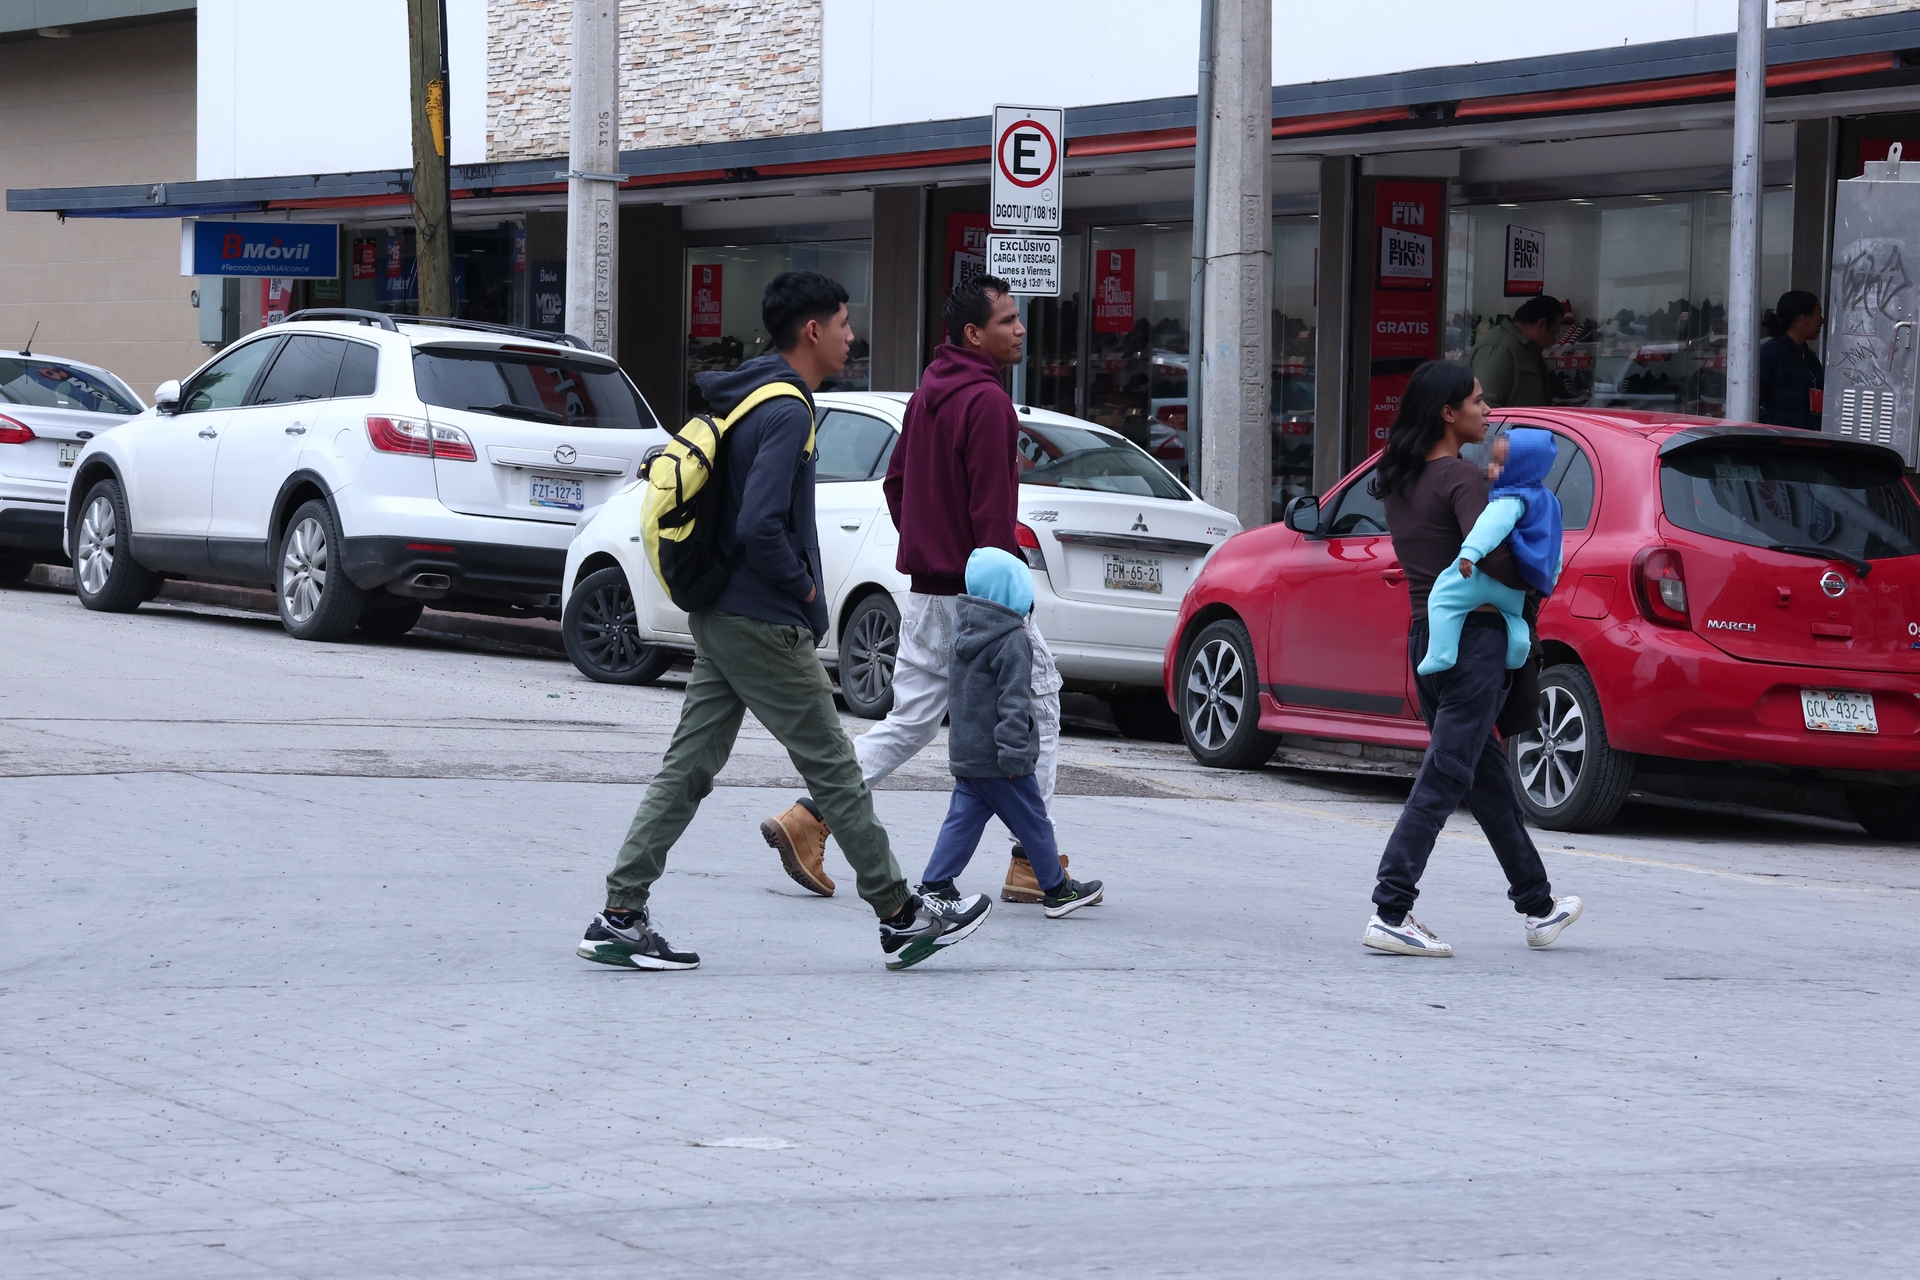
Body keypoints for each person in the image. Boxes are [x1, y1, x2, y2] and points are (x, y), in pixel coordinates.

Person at [576, 271, 992, 973]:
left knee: (688, 770)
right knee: (835, 772)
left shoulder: (751, 394)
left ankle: (620, 912)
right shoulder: (789, 410)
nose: (850, 336)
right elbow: (762, 523)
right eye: (843, 323)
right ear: (812, 331)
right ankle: (899, 914)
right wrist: (803, 593)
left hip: (721, 614)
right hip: (762, 622)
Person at [760, 276, 1068, 905]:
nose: (1020, 330)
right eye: (1007, 321)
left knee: (910, 721)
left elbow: (895, 485)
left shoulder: (929, 393)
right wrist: (996, 592)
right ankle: (1032, 862)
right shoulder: (987, 403)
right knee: (1040, 703)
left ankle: (809, 816)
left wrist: (929, 546)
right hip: (979, 596)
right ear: (973, 334)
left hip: (928, 593)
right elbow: (990, 515)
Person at [1361, 360, 1583, 958]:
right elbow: (1489, 557)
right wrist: (1539, 571)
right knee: (1448, 771)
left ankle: (1538, 905)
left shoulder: (1402, 478)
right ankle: (1391, 908)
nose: (1488, 411)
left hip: (1427, 638)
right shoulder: (1462, 480)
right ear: (1447, 412)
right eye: (1479, 402)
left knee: (1482, 776)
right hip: (1476, 643)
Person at [917, 547, 1104, 918]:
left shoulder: (963, 631)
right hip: (1004, 756)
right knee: (1033, 820)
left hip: (968, 752)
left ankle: (935, 884)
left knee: (963, 819)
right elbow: (1014, 702)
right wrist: (1016, 752)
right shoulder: (1012, 640)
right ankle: (1057, 890)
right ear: (1015, 592)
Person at [1415, 428, 1563, 676]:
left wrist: (1469, 553)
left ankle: (1441, 653)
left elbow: (1490, 527)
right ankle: (1518, 649)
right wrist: (1549, 579)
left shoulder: (1510, 498)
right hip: (1520, 585)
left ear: (1521, 466)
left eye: (1497, 463)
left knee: (1442, 598)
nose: (1489, 469)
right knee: (1513, 615)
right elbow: (1556, 547)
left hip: (1486, 578)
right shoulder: (1551, 501)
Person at [1468, 295, 1564, 410]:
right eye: (1554, 333)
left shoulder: (1529, 349)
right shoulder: (1499, 347)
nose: (1554, 340)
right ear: (1541, 325)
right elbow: (1485, 406)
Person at [1758, 290, 1825, 430]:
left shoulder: (1810, 358)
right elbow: (1751, 403)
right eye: (1819, 314)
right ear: (1804, 317)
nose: (1822, 320)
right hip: (1780, 445)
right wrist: (1774, 429)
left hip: (1811, 441)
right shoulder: (1771, 353)